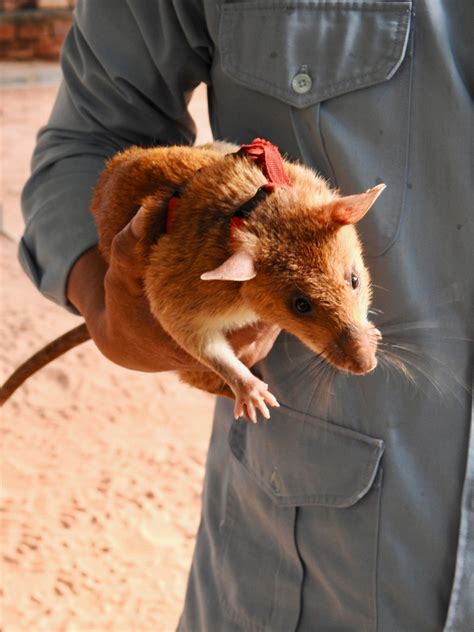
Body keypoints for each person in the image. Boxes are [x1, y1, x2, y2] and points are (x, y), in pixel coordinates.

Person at [20, 1, 472, 630]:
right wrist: (107, 299)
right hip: (298, 570)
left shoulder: (327, 220)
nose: (362, 358)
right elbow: (89, 138)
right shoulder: (235, 269)